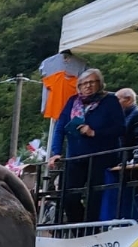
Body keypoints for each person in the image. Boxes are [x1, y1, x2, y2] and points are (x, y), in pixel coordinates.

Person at [47, 67, 125, 223]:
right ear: (79, 86)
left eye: (92, 82)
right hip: (75, 157)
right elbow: (60, 127)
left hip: (100, 157)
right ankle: (79, 229)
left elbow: (120, 128)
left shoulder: (109, 101)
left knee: (95, 198)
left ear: (100, 84)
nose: (88, 86)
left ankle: (91, 231)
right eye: (84, 83)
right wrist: (55, 152)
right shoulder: (72, 102)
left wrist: (94, 132)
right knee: (68, 197)